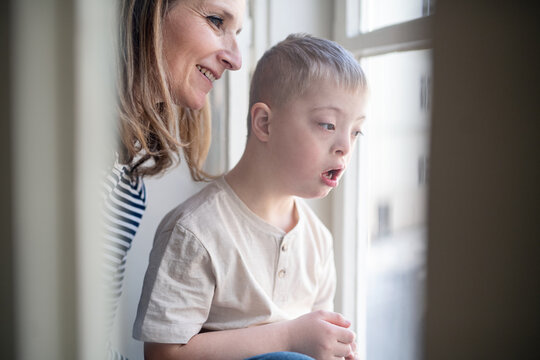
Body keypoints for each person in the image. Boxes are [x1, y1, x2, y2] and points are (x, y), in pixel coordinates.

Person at [133, 33, 368, 360]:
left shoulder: (319, 241)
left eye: (356, 131)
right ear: (265, 124)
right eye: (328, 125)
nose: (345, 145)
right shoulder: (196, 232)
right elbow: (163, 355)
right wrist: (288, 336)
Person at [103, 0, 245, 359]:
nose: (235, 58)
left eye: (238, 34)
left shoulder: (124, 177)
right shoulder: (69, 161)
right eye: (216, 20)